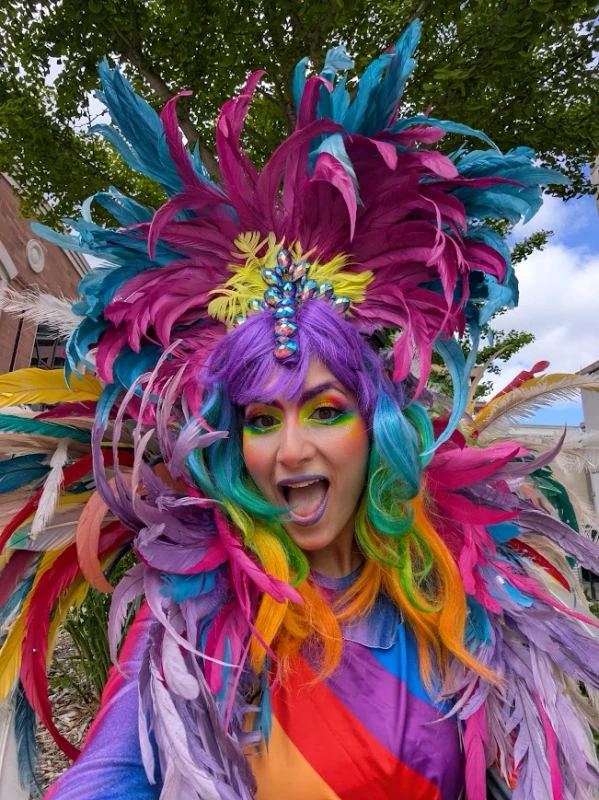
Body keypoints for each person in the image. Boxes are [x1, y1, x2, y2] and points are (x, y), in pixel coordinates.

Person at [0, 18, 598, 800]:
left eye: (323, 411)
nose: (290, 451)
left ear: (375, 427)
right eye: (259, 419)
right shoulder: (190, 619)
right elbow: (108, 776)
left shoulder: (454, 591)